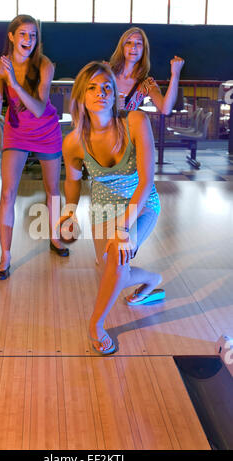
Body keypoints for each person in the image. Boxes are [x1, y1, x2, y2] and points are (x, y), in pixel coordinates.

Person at [61, 61, 164, 355]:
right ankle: (152, 280)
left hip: (142, 205)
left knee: (116, 264)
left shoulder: (135, 122)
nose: (100, 92)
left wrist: (122, 229)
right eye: (92, 87)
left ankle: (96, 325)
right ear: (81, 95)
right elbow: (72, 181)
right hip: (103, 210)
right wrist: (68, 212)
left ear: (115, 93)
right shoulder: (73, 143)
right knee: (110, 270)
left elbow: (146, 181)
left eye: (107, 87)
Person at [0, 14, 69, 280]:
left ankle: (55, 237)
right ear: (11, 36)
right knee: (7, 192)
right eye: (23, 34)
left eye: (33, 35)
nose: (28, 40)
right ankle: (5, 256)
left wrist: (15, 84)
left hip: (46, 130)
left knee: (52, 189)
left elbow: (40, 108)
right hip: (16, 132)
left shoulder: (44, 65)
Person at [110, 27, 184, 113]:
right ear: (122, 47)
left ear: (144, 49)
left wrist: (175, 74)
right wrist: (111, 104)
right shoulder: (106, 73)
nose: (133, 47)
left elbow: (165, 110)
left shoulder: (147, 84)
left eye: (138, 43)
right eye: (128, 42)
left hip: (127, 126)